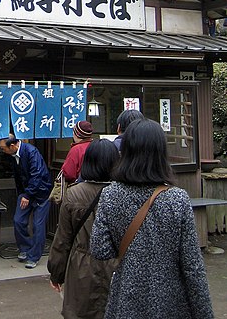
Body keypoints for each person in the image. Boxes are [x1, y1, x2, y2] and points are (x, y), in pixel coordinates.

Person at [90, 119, 214, 319]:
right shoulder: (177, 199)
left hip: (125, 301)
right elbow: (193, 268)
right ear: (161, 154)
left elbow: (100, 249)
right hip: (171, 303)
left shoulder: (110, 195)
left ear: (126, 151)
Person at [48, 139, 119, 319]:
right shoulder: (123, 194)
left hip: (81, 266)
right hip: (117, 267)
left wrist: (56, 273)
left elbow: (63, 239)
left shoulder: (74, 194)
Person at [0, 134, 52, 269]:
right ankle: (25, 248)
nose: (2, 151)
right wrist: (23, 193)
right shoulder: (13, 154)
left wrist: (27, 195)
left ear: (12, 146)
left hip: (41, 193)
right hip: (26, 192)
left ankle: (34, 257)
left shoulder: (31, 152)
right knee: (18, 220)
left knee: (38, 226)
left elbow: (37, 175)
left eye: (3, 148)